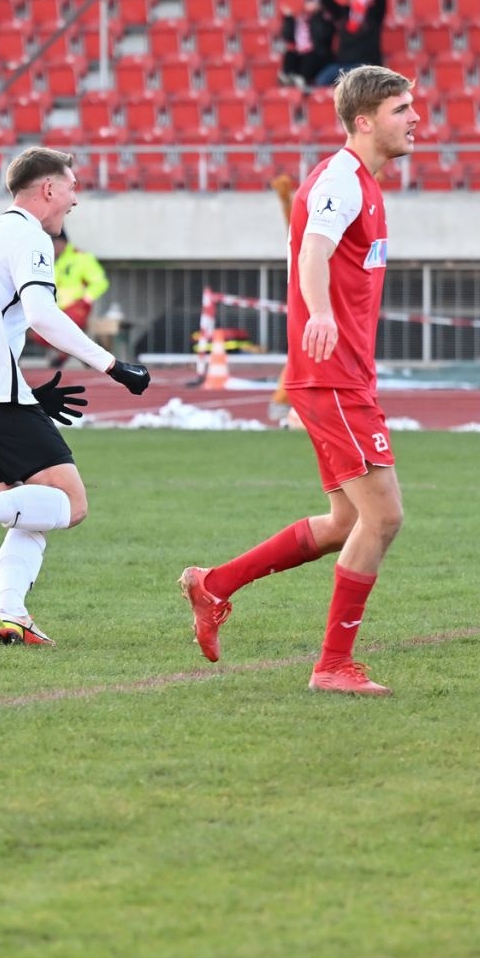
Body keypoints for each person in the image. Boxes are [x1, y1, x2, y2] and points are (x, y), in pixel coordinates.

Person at [179, 66, 417, 695]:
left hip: (340, 375)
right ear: (363, 121)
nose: (414, 118)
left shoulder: (361, 182)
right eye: (400, 109)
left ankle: (214, 584)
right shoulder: (341, 179)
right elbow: (313, 251)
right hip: (332, 377)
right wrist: (321, 314)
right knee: (384, 518)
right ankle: (333, 665)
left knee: (345, 521)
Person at [0, 147, 152, 645]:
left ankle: (12, 614)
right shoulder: (29, 235)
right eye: (71, 186)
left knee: (28, 506)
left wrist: (24, 392)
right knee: (70, 503)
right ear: (48, 189)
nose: (75, 199)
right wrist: (112, 365)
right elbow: (42, 315)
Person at [49, 229, 109, 363]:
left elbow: (100, 282)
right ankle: (81, 352)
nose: (53, 248)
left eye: (54, 244)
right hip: (58, 308)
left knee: (63, 330)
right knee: (39, 334)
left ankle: (74, 353)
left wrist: (86, 299)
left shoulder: (81, 257)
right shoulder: (54, 260)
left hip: (77, 306)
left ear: (62, 242)